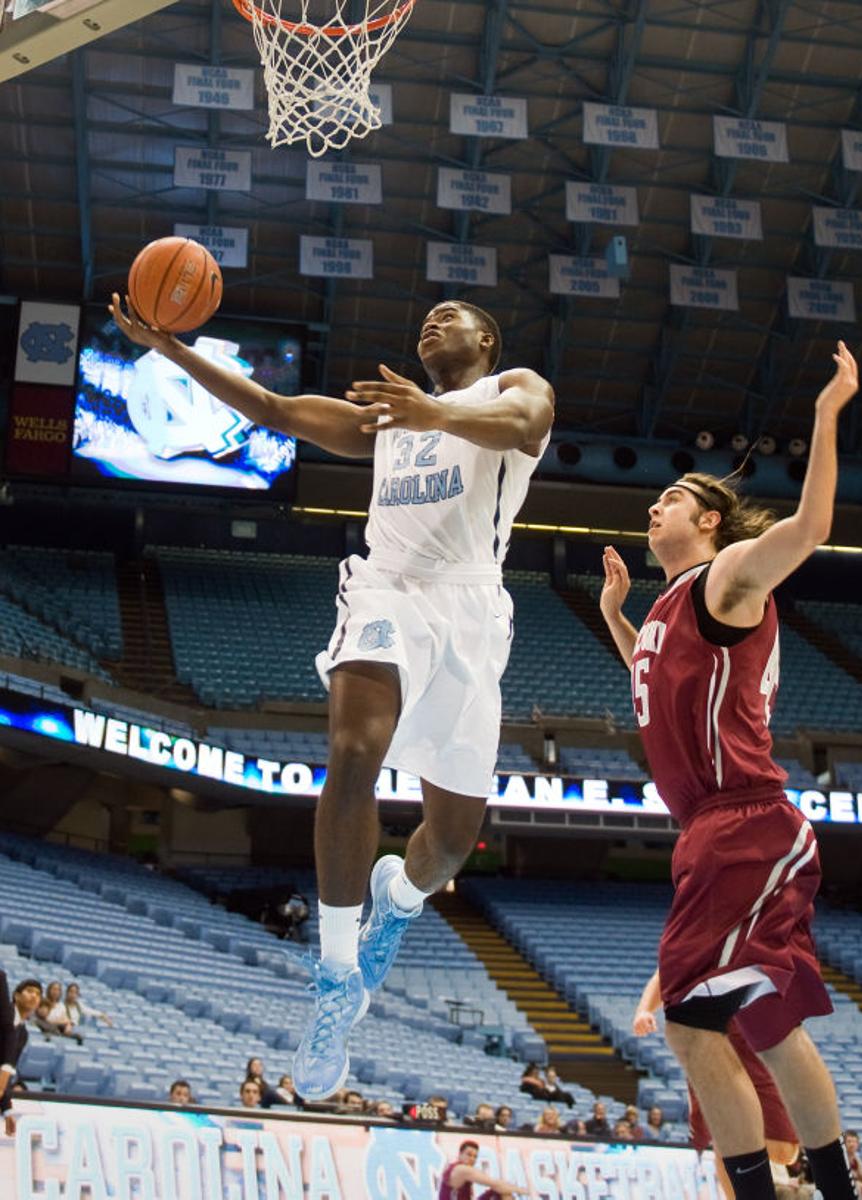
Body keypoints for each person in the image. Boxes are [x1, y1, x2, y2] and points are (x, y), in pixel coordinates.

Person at [110, 295, 554, 1101]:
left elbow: (524, 425)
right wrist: (171, 350)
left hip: (471, 610)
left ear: (486, 337)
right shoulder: (388, 419)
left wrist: (433, 412)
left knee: (451, 844)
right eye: (424, 314)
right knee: (352, 752)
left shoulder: (515, 387)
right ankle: (337, 975)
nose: (430, 321)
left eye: (450, 314)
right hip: (386, 589)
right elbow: (273, 408)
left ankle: (400, 899)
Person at [598, 343, 860, 1200]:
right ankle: (835, 1189)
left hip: (741, 823)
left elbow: (810, 529)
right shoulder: (673, 607)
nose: (653, 507)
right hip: (730, 830)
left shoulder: (728, 577)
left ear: (710, 520)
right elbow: (652, 673)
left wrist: (825, 414)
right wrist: (615, 615)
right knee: (768, 1023)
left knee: (688, 1019)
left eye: (669, 498)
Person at [634, 968, 800, 1199]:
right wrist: (643, 1011)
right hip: (709, 1034)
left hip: (754, 1035)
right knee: (724, 1132)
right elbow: (665, 973)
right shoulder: (698, 946)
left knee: (785, 1151)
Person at [1, 975, 40, 1137]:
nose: (34, 996)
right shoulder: (5, 1013)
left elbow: (7, 1071)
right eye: (29, 991)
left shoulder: (23, 1034)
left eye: (38, 994)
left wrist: (7, 1110)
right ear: (16, 996)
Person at [439, 1140, 528, 1199]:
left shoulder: (463, 1169)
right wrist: (526, 1192)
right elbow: (494, 1183)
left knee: (501, 1190)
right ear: (460, 1154)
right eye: (469, 1154)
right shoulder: (461, 1169)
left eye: (475, 1156)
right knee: (502, 1189)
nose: (472, 1159)